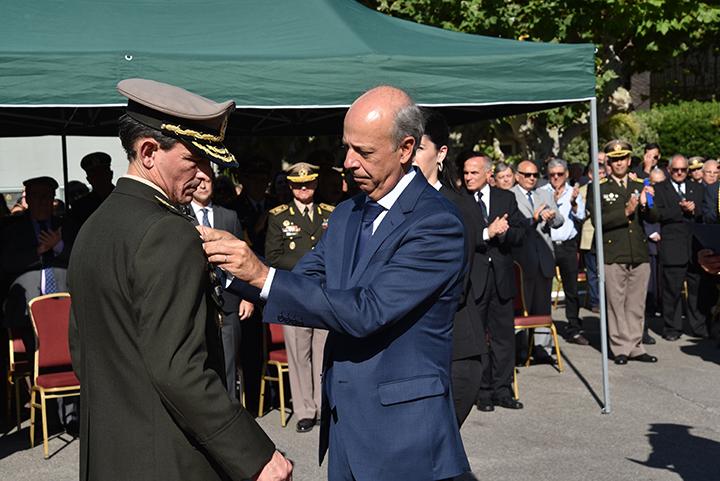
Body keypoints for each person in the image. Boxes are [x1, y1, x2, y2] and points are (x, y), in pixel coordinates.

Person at [202, 85, 470, 481]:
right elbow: (305, 281)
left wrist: (260, 273)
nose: (348, 162)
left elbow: (368, 310)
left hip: (403, 434)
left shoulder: (436, 223)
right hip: (345, 427)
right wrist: (227, 269)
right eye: (347, 147)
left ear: (406, 148)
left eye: (364, 152)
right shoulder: (347, 213)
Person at [67, 79, 291, 481]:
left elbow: (84, 351)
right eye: (195, 159)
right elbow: (179, 368)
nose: (206, 174)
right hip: (167, 457)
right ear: (149, 152)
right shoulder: (167, 231)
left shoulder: (95, 225)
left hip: (113, 453)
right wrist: (256, 455)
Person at [414, 110, 489, 425]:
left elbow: (452, 288)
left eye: (418, 148)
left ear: (441, 153)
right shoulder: (391, 204)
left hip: (450, 350)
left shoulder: (455, 208)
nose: (408, 156)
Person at [265, 161, 333, 434]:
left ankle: (321, 405)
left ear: (316, 184)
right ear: (291, 186)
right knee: (298, 353)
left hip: (323, 293)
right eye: (298, 184)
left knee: (322, 352)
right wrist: (309, 265)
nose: (303, 188)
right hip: (294, 293)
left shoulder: (330, 212)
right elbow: (273, 257)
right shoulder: (278, 216)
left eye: (308, 183)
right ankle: (305, 410)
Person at [586, 140, 658, 365]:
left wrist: (647, 205)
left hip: (637, 251)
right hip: (613, 251)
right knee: (615, 303)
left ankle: (636, 346)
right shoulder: (598, 186)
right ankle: (619, 348)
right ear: (608, 162)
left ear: (629, 160)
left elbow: (653, 218)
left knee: (636, 303)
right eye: (614, 159)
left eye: (622, 159)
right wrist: (625, 212)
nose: (618, 163)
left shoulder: (639, 183)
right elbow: (598, 221)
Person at [464, 154, 526, 411]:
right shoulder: (459, 201)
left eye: (474, 173)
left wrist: (504, 232)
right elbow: (461, 237)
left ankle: (503, 390)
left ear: (488, 174)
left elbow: (522, 234)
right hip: (474, 280)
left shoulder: (506, 198)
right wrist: (486, 233)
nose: (468, 178)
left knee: (503, 338)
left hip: (500, 279)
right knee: (478, 339)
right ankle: (483, 392)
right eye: (466, 173)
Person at [190, 166, 253, 400]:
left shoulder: (229, 216)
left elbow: (242, 258)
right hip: (197, 301)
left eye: (207, 180)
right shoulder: (179, 215)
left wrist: (247, 295)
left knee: (229, 361)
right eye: (198, 180)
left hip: (229, 301)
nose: (203, 185)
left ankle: (231, 413)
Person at [512, 160, 564, 363]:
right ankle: (521, 348)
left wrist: (551, 217)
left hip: (543, 258)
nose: (532, 178)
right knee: (522, 306)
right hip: (522, 261)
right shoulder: (510, 195)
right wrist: (533, 218)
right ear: (518, 176)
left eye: (534, 175)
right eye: (527, 175)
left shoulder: (544, 193)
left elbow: (560, 221)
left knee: (543, 305)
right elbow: (516, 225)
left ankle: (542, 347)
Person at [653, 154, 708, 341]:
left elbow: (705, 212)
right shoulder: (660, 188)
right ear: (669, 170)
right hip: (672, 246)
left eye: (683, 170)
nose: (679, 173)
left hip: (694, 247)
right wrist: (681, 210)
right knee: (672, 291)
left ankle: (698, 326)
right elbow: (657, 214)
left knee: (697, 290)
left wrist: (694, 210)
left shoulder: (697, 188)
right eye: (675, 170)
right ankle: (672, 327)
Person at [541, 158, 588, 345]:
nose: (556, 178)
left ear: (566, 174)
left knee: (572, 289)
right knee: (543, 287)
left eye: (560, 174)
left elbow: (581, 216)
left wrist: (574, 203)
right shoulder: (542, 192)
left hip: (567, 245)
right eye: (552, 175)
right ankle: (543, 330)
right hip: (547, 244)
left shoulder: (573, 192)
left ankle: (574, 328)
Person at [578, 153, 606, 313]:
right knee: (593, 271)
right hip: (590, 236)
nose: (601, 176)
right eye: (598, 173)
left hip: (606, 236)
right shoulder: (583, 191)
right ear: (590, 174)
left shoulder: (609, 189)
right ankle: (595, 301)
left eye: (603, 173)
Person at [70, 152, 116, 225]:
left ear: (110, 174)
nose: (100, 179)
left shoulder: (127, 199)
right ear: (88, 179)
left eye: (102, 174)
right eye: (95, 176)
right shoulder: (80, 207)